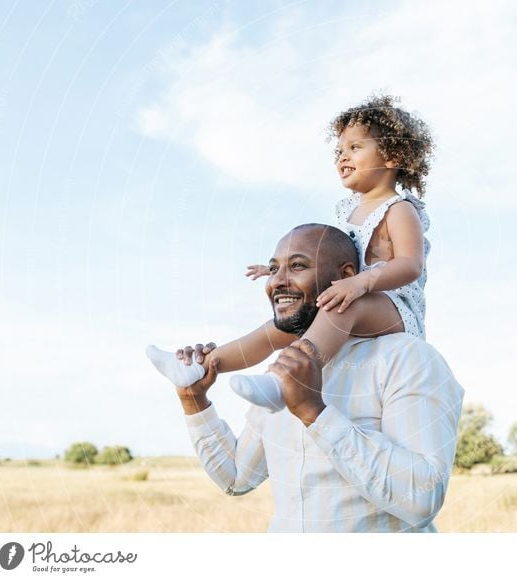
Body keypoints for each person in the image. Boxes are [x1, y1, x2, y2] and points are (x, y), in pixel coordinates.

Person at [146, 94, 434, 413]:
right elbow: (328, 261)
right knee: (278, 327)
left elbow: (410, 264)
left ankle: (282, 381)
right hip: (353, 295)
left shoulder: (399, 209)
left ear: (393, 156)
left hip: (393, 306)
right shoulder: (347, 211)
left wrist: (360, 284)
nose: (342, 157)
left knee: (342, 307)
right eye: (338, 151)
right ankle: (201, 366)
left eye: (355, 147)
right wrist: (282, 269)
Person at [176, 223, 464, 532]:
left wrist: (314, 412)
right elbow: (236, 478)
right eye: (273, 269)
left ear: (346, 276)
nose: (278, 282)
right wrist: (194, 401)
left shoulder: (408, 359)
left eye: (298, 266)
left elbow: (422, 501)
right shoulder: (283, 369)